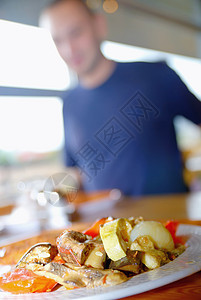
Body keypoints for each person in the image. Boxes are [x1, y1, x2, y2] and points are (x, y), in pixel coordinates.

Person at [40, 0, 201, 196]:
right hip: (104, 225)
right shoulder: (70, 104)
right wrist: (51, 194)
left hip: (167, 222)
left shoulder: (156, 76)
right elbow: (77, 171)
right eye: (58, 40)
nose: (69, 49)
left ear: (99, 25)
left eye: (76, 33)